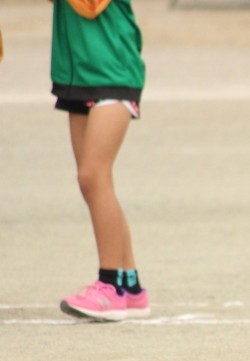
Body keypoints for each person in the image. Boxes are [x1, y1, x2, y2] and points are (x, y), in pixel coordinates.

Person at [51, 0, 149, 321]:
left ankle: (110, 286)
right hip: (78, 74)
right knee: (95, 181)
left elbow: (89, 6)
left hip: (113, 71)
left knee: (93, 176)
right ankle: (131, 286)